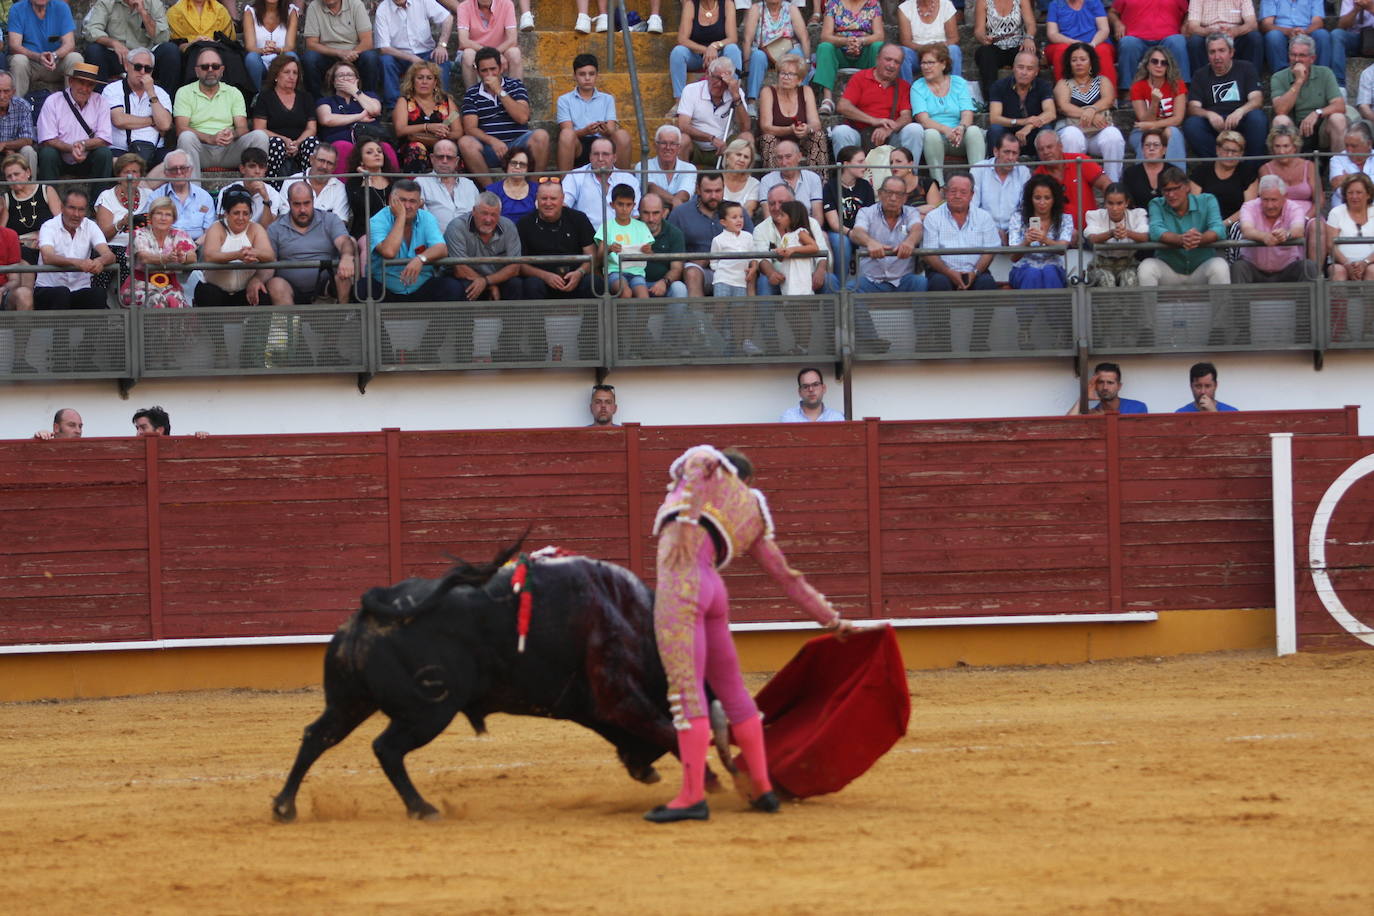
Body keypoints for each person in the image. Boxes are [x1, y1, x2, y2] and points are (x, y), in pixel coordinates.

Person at [644, 444, 849, 823]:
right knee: (735, 694)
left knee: (687, 695)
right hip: (714, 592)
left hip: (682, 586)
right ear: (747, 480)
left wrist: (687, 524)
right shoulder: (750, 510)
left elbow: (700, 461)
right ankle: (762, 789)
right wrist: (832, 621)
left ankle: (691, 798)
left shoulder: (707, 468)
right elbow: (787, 577)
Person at [173, 47, 270, 180]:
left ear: (222, 70)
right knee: (186, 137)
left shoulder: (234, 92)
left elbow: (243, 128)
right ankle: (192, 190)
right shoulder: (184, 92)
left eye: (215, 66)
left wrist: (232, 134)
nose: (210, 70)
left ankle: (256, 186)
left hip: (229, 150)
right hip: (200, 150)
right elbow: (181, 128)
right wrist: (210, 138)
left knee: (260, 136)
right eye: (205, 67)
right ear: (196, 71)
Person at [458, 46, 549, 184]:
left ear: (501, 68)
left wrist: (499, 91)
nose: (489, 74)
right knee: (465, 142)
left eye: (493, 69)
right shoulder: (472, 93)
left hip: (518, 143)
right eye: (484, 70)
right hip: (490, 148)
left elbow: (522, 117)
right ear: (477, 71)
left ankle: (534, 187)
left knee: (541, 136)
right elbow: (470, 128)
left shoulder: (515, 85)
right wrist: (492, 141)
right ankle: (491, 189)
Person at [361, 178, 462, 302]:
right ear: (391, 200)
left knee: (453, 287)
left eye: (412, 201)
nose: (407, 206)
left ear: (420, 203)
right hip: (385, 288)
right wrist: (401, 217)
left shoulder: (427, 218)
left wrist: (420, 259)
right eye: (402, 200)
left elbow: (441, 248)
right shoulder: (377, 220)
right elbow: (389, 252)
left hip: (420, 286)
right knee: (362, 288)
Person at [259, 180, 356, 305]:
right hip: (289, 288)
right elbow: (269, 261)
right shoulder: (275, 228)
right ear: (289, 203)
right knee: (275, 284)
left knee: (343, 276)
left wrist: (347, 257)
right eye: (297, 204)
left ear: (313, 201)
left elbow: (344, 241)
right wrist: (257, 280)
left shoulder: (330, 219)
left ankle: (344, 315)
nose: (302, 209)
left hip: (326, 286)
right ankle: (290, 318)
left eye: (306, 203)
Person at [1141, 166, 1230, 289]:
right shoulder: (1156, 203)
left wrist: (1199, 239)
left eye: (1176, 188)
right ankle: (1148, 304)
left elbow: (1219, 229)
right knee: (1146, 267)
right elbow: (1155, 231)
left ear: (1187, 187)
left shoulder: (1208, 200)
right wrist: (1181, 239)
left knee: (1220, 266)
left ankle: (1222, 304)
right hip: (1169, 269)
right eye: (1166, 190)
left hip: (1201, 268)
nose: (1171, 194)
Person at [1183, 32, 1268, 160]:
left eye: (1221, 50)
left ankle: (1252, 164)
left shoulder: (1246, 68)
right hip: (1214, 122)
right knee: (1192, 124)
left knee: (1257, 118)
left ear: (1231, 52)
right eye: (1212, 52)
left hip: (1241, 118)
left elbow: (1257, 99)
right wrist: (1209, 114)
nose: (1217, 56)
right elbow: (1192, 108)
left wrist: (1240, 111)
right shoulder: (1200, 75)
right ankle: (1217, 163)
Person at [669, 170, 754, 298]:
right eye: (708, 191)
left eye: (718, 191)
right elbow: (671, 248)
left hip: (732, 269)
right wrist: (691, 259)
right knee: (692, 272)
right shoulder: (680, 213)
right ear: (698, 189)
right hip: (699, 269)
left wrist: (752, 265)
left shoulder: (737, 212)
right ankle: (698, 312)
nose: (714, 196)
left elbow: (751, 242)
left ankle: (749, 312)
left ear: (724, 188)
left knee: (751, 274)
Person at [911, 43, 986, 186]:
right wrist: (945, 130)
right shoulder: (918, 86)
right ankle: (938, 184)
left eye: (931, 63)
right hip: (936, 140)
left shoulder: (959, 83)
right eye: (923, 63)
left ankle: (977, 183)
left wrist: (961, 128)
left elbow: (967, 113)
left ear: (943, 64)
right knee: (930, 134)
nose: (926, 67)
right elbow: (923, 120)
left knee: (974, 131)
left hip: (959, 136)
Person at [829, 43, 922, 156]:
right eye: (888, 59)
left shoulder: (903, 86)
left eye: (897, 62)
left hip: (890, 138)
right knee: (841, 132)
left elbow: (906, 117)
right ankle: (848, 168)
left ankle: (909, 168)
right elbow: (843, 106)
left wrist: (890, 129)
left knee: (914, 129)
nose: (892, 65)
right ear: (877, 59)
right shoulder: (860, 77)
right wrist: (874, 120)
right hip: (860, 135)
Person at [1053, 42, 1125, 183]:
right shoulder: (1063, 83)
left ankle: (1113, 185)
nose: (1078, 63)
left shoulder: (1102, 81)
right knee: (1071, 135)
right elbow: (1064, 106)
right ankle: (1073, 184)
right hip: (1074, 130)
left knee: (1113, 135)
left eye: (1083, 59)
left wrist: (1092, 110)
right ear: (1069, 63)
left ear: (1091, 62)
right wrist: (1090, 115)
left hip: (1098, 133)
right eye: (1074, 60)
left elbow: (1108, 100)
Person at [36, 188, 115, 311]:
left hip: (79, 289)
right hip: (49, 288)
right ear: (62, 208)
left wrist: (99, 261)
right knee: (62, 293)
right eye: (72, 208)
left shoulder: (90, 226)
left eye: (81, 209)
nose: (76, 214)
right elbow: (47, 257)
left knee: (98, 294)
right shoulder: (48, 226)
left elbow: (109, 255)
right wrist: (78, 263)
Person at [517, 181, 598, 300]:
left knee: (595, 282)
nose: (548, 203)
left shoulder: (579, 218)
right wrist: (545, 276)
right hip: (541, 280)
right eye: (544, 198)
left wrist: (579, 273)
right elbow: (520, 264)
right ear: (537, 199)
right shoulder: (524, 223)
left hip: (575, 278)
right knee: (532, 284)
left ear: (562, 199)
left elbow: (592, 255)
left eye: (553, 198)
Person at [35, 62, 113, 185]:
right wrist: (71, 148)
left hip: (87, 157)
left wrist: (83, 144)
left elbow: (104, 139)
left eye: (90, 85)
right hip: (60, 158)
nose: (85, 89)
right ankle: (49, 195)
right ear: (71, 81)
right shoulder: (53, 101)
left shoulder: (100, 101)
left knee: (104, 154)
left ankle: (100, 196)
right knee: (48, 154)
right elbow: (48, 139)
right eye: (81, 83)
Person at [1232, 173, 1318, 284]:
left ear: (1285, 197)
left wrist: (1286, 234)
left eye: (1274, 200)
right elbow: (1246, 230)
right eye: (1265, 200)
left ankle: (1313, 296)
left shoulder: (1294, 208)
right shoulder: (1249, 206)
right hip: (1254, 268)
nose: (1269, 205)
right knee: (1238, 267)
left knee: (1309, 266)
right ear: (1259, 196)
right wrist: (1264, 237)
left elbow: (1299, 230)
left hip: (1287, 269)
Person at [923, 172, 1000, 296]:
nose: (957, 196)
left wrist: (974, 273)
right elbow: (930, 254)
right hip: (942, 272)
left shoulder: (984, 217)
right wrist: (949, 273)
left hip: (976, 272)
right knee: (939, 282)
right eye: (953, 191)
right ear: (945, 192)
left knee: (986, 283)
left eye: (963, 192)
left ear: (972, 195)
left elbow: (990, 251)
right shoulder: (933, 217)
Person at [196, 187, 276, 307]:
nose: (241, 218)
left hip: (244, 290)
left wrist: (255, 253)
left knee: (262, 294)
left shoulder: (256, 229)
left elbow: (270, 255)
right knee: (208, 293)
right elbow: (210, 255)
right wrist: (238, 255)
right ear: (226, 213)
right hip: (215, 289)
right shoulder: (216, 228)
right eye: (236, 213)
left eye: (245, 214)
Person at [1270, 33, 1348, 155]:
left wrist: (1317, 113)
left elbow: (1340, 105)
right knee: (1280, 120)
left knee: (1338, 118)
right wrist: (1299, 81)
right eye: (1293, 55)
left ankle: (1339, 164)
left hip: (1321, 126)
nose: (1296, 59)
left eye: (1302, 55)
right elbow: (1280, 110)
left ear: (1312, 58)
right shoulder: (1278, 77)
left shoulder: (1325, 73)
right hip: (1293, 129)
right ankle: (1287, 164)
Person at [443, 189, 525, 303]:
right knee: (463, 287)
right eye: (484, 213)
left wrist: (486, 281)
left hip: (495, 279)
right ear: (473, 211)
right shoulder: (457, 227)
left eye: (493, 215)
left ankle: (512, 316)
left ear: (500, 214)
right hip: (466, 278)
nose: (488, 220)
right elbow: (460, 269)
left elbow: (514, 267)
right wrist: (489, 285)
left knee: (515, 284)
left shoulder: (508, 226)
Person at [314, 60, 393, 176]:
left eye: (350, 75)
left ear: (357, 80)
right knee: (343, 146)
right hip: (340, 143)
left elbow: (375, 110)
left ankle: (390, 183)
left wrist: (354, 91)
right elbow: (327, 119)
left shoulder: (369, 96)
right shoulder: (326, 101)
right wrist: (359, 117)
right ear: (333, 82)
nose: (346, 78)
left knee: (384, 147)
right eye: (341, 75)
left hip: (369, 141)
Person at [848, 175, 925, 293]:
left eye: (898, 194)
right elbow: (857, 232)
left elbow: (917, 229)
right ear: (880, 194)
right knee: (850, 289)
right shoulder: (866, 212)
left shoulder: (911, 212)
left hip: (902, 279)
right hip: (871, 280)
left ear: (905, 198)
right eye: (889, 193)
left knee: (920, 282)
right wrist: (870, 242)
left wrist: (910, 242)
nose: (893, 198)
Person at [556, 53, 632, 172]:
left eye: (591, 74)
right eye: (582, 74)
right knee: (566, 134)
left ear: (597, 75)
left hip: (603, 142)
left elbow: (611, 130)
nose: (587, 78)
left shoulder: (607, 99)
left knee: (622, 135)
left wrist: (605, 130)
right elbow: (567, 131)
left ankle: (624, 180)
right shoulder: (564, 100)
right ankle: (565, 181)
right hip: (579, 145)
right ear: (574, 76)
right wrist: (585, 131)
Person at [372, 0, 451, 110]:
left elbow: (447, 18)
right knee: (385, 61)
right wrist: (411, 58)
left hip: (426, 53)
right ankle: (394, 108)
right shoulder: (383, 9)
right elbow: (384, 48)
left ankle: (441, 104)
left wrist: (442, 45)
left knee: (441, 59)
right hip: (399, 56)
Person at [675, 56, 754, 167]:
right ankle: (682, 176)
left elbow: (745, 127)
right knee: (683, 140)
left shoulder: (735, 92)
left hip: (725, 144)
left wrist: (736, 97)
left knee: (747, 137)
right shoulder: (691, 90)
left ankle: (739, 177)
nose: (720, 84)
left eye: (724, 81)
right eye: (717, 78)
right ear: (708, 74)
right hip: (696, 144)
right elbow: (683, 126)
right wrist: (711, 138)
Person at [813, 0, 886, 116]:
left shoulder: (872, 3)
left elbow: (879, 35)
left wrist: (861, 41)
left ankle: (874, 96)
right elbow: (825, 36)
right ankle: (827, 99)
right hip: (840, 53)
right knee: (824, 47)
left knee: (878, 46)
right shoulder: (833, 3)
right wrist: (846, 41)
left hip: (864, 52)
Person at [83, 0, 179, 87]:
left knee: (170, 50)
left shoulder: (154, 4)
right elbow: (91, 30)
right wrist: (113, 43)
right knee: (94, 50)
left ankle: (167, 98)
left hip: (145, 59)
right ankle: (100, 97)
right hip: (117, 56)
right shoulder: (106, 2)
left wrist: (143, 13)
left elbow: (163, 38)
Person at [122, 194, 195, 307]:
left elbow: (193, 257)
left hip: (170, 285)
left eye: (168, 214)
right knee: (157, 301)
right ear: (151, 217)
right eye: (159, 213)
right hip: (140, 284)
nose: (163, 218)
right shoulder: (139, 233)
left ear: (174, 219)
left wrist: (183, 257)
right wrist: (166, 258)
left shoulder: (180, 234)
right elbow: (144, 258)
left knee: (176, 301)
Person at [252, 55, 318, 179]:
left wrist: (297, 143)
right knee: (276, 143)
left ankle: (310, 183)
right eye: (286, 72)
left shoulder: (306, 97)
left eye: (295, 73)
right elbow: (259, 128)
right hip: (275, 146)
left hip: (300, 145)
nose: (291, 76)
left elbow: (311, 128)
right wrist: (284, 140)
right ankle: (271, 184)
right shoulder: (265, 97)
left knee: (312, 142)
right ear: (276, 75)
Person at [103, 47, 171, 167]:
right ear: (127, 66)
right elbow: (119, 120)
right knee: (111, 160)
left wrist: (151, 92)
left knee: (173, 162)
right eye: (138, 67)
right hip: (121, 150)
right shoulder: (113, 89)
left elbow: (165, 124)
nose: (143, 72)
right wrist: (152, 120)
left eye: (148, 69)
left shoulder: (160, 93)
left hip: (154, 150)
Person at [757, 54, 827, 169]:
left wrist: (807, 129)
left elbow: (816, 124)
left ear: (800, 79)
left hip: (800, 143)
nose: (786, 77)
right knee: (768, 138)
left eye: (791, 74)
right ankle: (773, 178)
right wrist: (790, 129)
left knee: (818, 135)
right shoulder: (768, 91)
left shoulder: (806, 91)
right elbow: (766, 127)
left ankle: (819, 178)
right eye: (783, 73)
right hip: (776, 142)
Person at [392, 59, 461, 175]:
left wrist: (444, 134)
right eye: (420, 78)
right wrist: (427, 127)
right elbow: (400, 130)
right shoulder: (404, 101)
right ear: (413, 81)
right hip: (413, 146)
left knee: (447, 149)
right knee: (417, 148)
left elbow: (458, 131)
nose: (424, 82)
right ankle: (414, 184)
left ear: (435, 82)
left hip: (440, 144)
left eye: (429, 78)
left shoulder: (447, 101)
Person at [301, 0, 380, 100]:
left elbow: (367, 42)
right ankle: (316, 102)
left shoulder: (356, 4)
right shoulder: (314, 6)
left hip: (353, 54)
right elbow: (311, 44)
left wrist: (348, 56)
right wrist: (339, 53)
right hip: (328, 55)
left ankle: (369, 100)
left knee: (370, 57)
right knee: (309, 58)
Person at [1008, 174, 1075, 290]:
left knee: (1050, 272)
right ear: (1030, 199)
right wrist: (1026, 242)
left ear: (1054, 199)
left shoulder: (1065, 219)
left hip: (1053, 267)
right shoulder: (1017, 218)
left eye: (1047, 198)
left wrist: (1045, 240)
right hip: (1023, 268)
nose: (1042, 202)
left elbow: (1062, 250)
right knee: (1032, 274)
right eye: (1037, 198)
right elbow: (1013, 257)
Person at [670, 0, 745, 104]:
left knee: (733, 49)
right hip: (696, 56)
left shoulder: (727, 3)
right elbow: (682, 39)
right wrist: (706, 50)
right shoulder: (691, 4)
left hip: (720, 56)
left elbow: (732, 38)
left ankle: (734, 95)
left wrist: (714, 46)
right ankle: (680, 101)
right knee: (677, 52)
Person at [7, 0, 84, 98]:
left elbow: (70, 44)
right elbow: (14, 46)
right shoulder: (17, 9)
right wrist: (38, 57)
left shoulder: (61, 7)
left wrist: (54, 55)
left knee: (75, 58)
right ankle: (16, 104)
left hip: (55, 62)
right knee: (18, 60)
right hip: (31, 63)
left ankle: (73, 103)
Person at [1189, 129, 1256, 239]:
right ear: (1217, 150)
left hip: (1235, 223)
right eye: (1226, 150)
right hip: (1205, 222)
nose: (1229, 155)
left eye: (1234, 151)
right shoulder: (1201, 171)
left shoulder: (1248, 173)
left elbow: (1248, 207)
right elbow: (1194, 204)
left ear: (1241, 154)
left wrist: (1225, 223)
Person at [1033, 129, 1109, 226]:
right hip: (1058, 232)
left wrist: (1109, 213)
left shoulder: (1079, 161)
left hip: (1091, 229)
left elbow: (1107, 185)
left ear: (1060, 146)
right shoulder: (1037, 175)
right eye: (1041, 149)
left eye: (1049, 147)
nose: (1046, 152)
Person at [93, 151, 147, 288]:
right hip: (114, 246)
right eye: (126, 172)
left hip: (142, 246)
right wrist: (121, 223)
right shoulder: (107, 196)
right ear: (118, 176)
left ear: (140, 176)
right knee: (124, 255)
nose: (130, 176)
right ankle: (121, 294)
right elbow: (103, 235)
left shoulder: (149, 195)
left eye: (135, 172)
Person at [986, 50, 1056, 154]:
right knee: (995, 129)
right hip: (1009, 133)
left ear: (1036, 72)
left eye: (1029, 69)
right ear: (1013, 68)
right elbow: (995, 118)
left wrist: (1029, 126)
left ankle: (1044, 163)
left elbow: (1050, 113)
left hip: (1032, 133)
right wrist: (1023, 121)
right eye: (1020, 67)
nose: (1024, 72)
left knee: (1046, 129)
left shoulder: (1043, 86)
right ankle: (996, 162)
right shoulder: (999, 86)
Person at [1110, 0, 1189, 92]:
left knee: (1178, 41)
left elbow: (1188, 12)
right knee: (1127, 43)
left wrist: (1185, 24)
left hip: (1168, 38)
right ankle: (1127, 90)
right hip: (1136, 39)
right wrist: (1117, 23)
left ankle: (1181, 90)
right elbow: (1112, 13)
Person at [742, 0, 810, 105]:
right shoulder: (756, 9)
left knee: (797, 53)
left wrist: (807, 62)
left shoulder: (791, 9)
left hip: (786, 53)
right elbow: (747, 40)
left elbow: (804, 38)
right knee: (757, 55)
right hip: (764, 53)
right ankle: (752, 100)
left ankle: (802, 98)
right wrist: (747, 68)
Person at [564, 136, 639, 230]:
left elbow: (635, 215)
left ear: (614, 157)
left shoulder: (629, 180)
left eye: (605, 154)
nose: (600, 158)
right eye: (596, 154)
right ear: (590, 157)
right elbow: (564, 207)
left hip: (622, 234)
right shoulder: (575, 176)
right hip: (585, 236)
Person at [2, 153, 59, 274]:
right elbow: (2, 233)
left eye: (16, 174)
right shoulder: (5, 199)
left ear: (28, 172)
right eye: (9, 176)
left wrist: (45, 237)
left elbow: (60, 221)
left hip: (47, 244)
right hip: (20, 249)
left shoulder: (46, 191)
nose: (13, 179)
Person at [1129, 49, 1188, 166]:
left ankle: (1176, 176)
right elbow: (1144, 121)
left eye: (1164, 63)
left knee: (1173, 132)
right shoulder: (1137, 87)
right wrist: (1154, 103)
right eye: (1155, 61)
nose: (1159, 65)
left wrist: (1154, 125)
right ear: (1147, 65)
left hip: (1170, 129)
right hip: (1142, 130)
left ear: (1168, 66)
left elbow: (1178, 119)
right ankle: (1143, 177)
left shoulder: (1177, 84)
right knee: (1148, 139)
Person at [973, 0, 1039, 105]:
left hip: (1018, 45)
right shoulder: (983, 1)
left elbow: (1031, 25)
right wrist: (983, 38)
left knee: (1030, 53)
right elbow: (978, 30)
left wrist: (1028, 38)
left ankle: (1033, 98)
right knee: (985, 53)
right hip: (994, 45)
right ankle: (992, 99)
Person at [596, 182, 655, 300]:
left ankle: (635, 315)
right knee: (625, 292)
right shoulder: (606, 226)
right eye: (620, 204)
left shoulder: (641, 226)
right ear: (612, 205)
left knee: (644, 296)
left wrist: (648, 251)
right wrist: (610, 248)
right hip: (614, 272)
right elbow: (599, 256)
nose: (624, 209)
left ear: (634, 205)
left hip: (637, 273)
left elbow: (651, 255)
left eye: (628, 205)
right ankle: (621, 314)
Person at [822, 144, 873, 278]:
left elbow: (870, 217)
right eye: (860, 162)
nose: (865, 165)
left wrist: (860, 234)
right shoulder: (830, 187)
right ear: (846, 164)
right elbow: (834, 223)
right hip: (839, 232)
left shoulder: (866, 186)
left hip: (861, 230)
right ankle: (841, 285)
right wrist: (851, 233)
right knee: (842, 242)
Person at [1084, 182, 1149, 287]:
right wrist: (1111, 233)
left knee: (1129, 279)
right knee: (1106, 280)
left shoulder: (1137, 214)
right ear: (1105, 203)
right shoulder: (1095, 215)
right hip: (1100, 265)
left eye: (1119, 203)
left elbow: (1145, 236)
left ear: (1126, 203)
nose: (1115, 208)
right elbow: (1092, 238)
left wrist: (1127, 233)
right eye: (1110, 203)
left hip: (1128, 265)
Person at [1260, 0, 1338, 84]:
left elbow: (1318, 22)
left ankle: (1321, 79)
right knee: (1273, 36)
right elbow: (1266, 24)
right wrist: (1288, 31)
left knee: (1322, 35)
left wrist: (1306, 32)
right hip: (1281, 32)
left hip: (1307, 31)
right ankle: (1282, 80)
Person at [972, 131, 1030, 241]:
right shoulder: (978, 169)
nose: (1010, 157)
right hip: (983, 230)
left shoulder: (1023, 172)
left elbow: (1025, 207)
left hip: (1015, 232)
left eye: (1014, 153)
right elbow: (973, 207)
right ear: (996, 152)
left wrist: (1012, 232)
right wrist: (992, 230)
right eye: (1006, 152)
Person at [1255, 123, 1320, 219]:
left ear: (1295, 147)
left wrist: (1305, 218)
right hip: (1278, 218)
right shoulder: (1265, 169)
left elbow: (1319, 200)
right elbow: (1266, 202)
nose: (1281, 151)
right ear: (1272, 148)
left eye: (1286, 146)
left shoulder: (1309, 166)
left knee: (1316, 226)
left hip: (1309, 216)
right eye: (1277, 146)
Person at [1044, 0, 1117, 86]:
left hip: (1095, 42)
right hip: (1065, 42)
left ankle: (1108, 92)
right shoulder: (1055, 4)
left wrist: (1092, 44)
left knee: (1102, 50)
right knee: (1061, 50)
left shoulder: (1095, 2)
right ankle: (1064, 91)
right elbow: (1052, 34)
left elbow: (1104, 30)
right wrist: (1074, 43)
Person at [151, 149, 215, 245]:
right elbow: (150, 228)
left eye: (183, 168)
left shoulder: (205, 197)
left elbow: (210, 231)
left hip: (198, 245)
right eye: (173, 169)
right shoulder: (155, 197)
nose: (179, 172)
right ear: (166, 173)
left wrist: (193, 247)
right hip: (164, 245)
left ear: (190, 170)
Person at [456, 0, 523, 90]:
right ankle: (472, 95)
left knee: (515, 53)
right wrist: (491, 54)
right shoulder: (464, 7)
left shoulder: (506, 4)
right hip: (475, 51)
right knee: (468, 54)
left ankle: (516, 94)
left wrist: (495, 54)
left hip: (500, 51)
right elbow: (463, 41)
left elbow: (512, 40)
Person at [279, 142, 350, 226]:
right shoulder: (291, 182)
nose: (324, 166)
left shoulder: (340, 188)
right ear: (311, 160)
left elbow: (339, 224)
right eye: (321, 161)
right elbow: (285, 218)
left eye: (329, 163)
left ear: (334, 167)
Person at [1183, 0, 1263, 73]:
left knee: (1254, 37)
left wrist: (1235, 31)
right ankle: (1201, 80)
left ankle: (1253, 78)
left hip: (1235, 36)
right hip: (1209, 36)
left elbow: (1252, 23)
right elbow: (1192, 27)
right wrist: (1210, 31)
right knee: (1195, 42)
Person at [757, 138, 823, 225]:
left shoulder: (813, 178)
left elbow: (818, 217)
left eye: (788, 157)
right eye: (780, 158)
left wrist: (808, 231)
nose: (784, 162)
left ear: (799, 157)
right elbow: (768, 218)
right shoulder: (767, 181)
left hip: (807, 227)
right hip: (778, 229)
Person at [897, 0, 963, 85]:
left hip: (941, 53)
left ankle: (956, 88)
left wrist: (936, 50)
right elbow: (906, 41)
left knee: (954, 50)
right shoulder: (905, 8)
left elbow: (953, 38)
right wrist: (926, 50)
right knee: (902, 51)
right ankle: (906, 90)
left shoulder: (946, 5)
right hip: (918, 54)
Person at [417, 139, 478, 229]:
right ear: (432, 158)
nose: (444, 161)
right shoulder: (420, 183)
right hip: (435, 236)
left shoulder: (469, 185)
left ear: (456, 161)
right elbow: (419, 219)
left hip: (467, 236)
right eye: (440, 157)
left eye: (449, 157)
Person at [638, 191, 688, 299]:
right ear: (639, 212)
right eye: (646, 213)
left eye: (655, 213)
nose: (651, 219)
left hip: (664, 284)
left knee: (679, 288)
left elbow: (677, 268)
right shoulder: (629, 229)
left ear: (664, 213)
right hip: (634, 283)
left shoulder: (674, 233)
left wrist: (664, 282)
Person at [1327, 171, 1374, 282]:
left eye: (1359, 192)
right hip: (1340, 263)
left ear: (1368, 194)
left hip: (1371, 262)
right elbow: (1330, 245)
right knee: (1338, 272)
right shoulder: (1336, 212)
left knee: (1373, 271)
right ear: (1345, 194)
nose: (1354, 196)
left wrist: (1365, 262)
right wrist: (1347, 264)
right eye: (1350, 193)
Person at [242, 0, 298, 91]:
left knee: (292, 55)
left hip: (282, 61)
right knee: (251, 57)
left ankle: (290, 94)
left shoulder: (291, 12)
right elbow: (250, 46)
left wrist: (277, 50)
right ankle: (257, 94)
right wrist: (263, 50)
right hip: (260, 62)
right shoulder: (250, 12)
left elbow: (290, 46)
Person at [343, 139, 392, 239]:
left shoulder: (395, 181)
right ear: (361, 160)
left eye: (379, 151)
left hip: (392, 230)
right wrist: (367, 178)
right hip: (365, 233)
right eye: (369, 152)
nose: (376, 154)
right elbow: (364, 208)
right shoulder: (353, 184)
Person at [640, 125, 697, 209]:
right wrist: (674, 201)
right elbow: (651, 188)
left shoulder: (689, 168)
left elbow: (685, 194)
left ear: (679, 148)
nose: (668, 147)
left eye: (673, 144)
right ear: (656, 146)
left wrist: (667, 209)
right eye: (663, 143)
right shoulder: (643, 166)